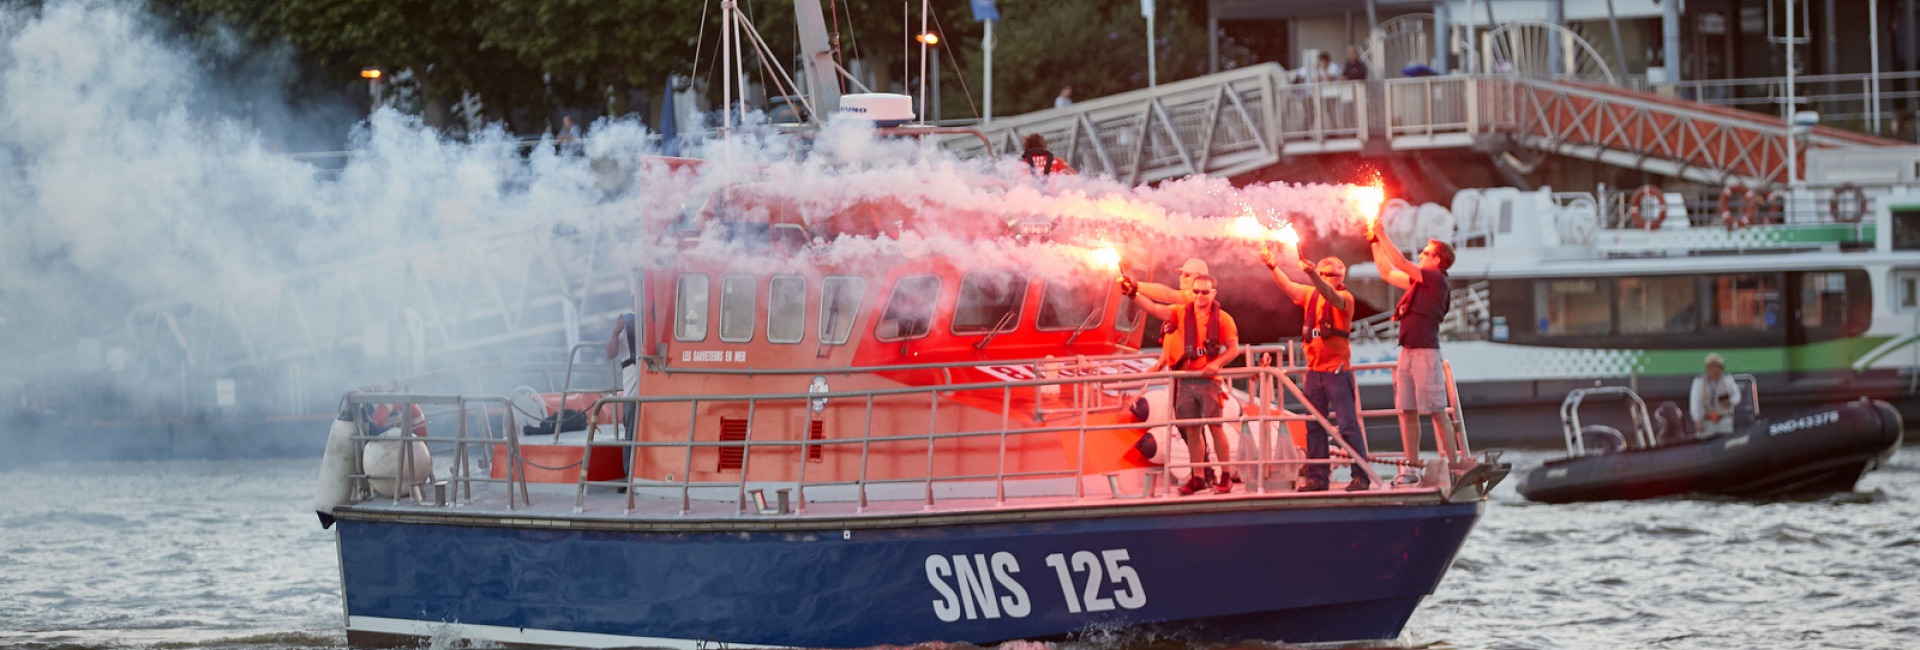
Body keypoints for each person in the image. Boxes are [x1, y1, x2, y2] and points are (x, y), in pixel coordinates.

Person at [1260, 246, 1369, 491]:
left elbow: (1332, 296)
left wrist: (1312, 275)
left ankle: (1361, 476)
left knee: (1348, 425)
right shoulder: (1309, 295)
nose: (1330, 279)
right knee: (1314, 426)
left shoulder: (1345, 299)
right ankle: (1317, 478)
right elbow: (1288, 286)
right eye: (1326, 274)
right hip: (1314, 372)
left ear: (1341, 278)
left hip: (1337, 373)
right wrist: (1272, 266)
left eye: (1334, 275)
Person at [1123, 274, 1240, 495]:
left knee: (1216, 428)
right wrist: (1132, 294)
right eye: (1195, 291)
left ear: (1213, 293)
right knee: (1192, 430)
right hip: (1185, 381)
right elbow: (1154, 309)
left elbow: (1234, 349)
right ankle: (1197, 477)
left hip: (1209, 381)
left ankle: (1225, 476)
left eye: (1204, 292)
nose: (1199, 296)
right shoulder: (1180, 312)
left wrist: (1217, 364)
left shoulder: (1224, 319)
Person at [1368, 224, 1459, 484]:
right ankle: (1413, 467)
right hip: (1407, 352)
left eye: (1426, 253)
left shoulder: (1436, 279)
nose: (1420, 255)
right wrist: (1375, 241)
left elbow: (1398, 261)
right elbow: (1386, 271)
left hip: (1426, 352)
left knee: (1437, 412)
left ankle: (1454, 466)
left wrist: (1383, 233)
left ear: (1437, 260)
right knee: (1407, 410)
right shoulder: (1420, 281)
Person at [604, 312, 639, 436]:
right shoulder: (625, 324)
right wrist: (615, 332)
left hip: (655, 394)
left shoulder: (656, 322)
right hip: (632, 394)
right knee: (631, 436)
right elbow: (610, 354)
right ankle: (629, 455)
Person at [1690, 352, 1741, 437]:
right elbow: (1695, 401)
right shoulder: (1699, 381)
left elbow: (1737, 396)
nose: (1719, 369)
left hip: (1724, 419)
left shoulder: (1727, 379)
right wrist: (1697, 420)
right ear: (1709, 367)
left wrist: (1730, 402)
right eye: (1716, 366)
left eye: (1720, 367)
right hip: (1707, 421)